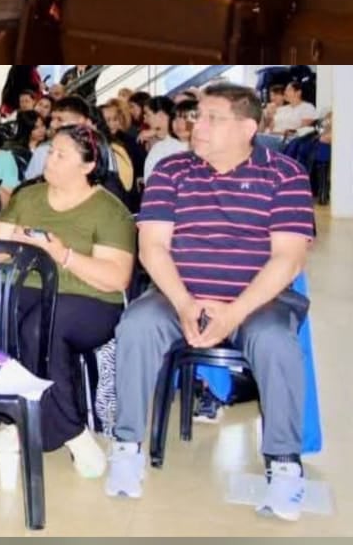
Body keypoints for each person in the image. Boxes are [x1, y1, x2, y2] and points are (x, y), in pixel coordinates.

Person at [104, 84, 315, 521]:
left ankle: (284, 464)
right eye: (196, 116)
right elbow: (153, 249)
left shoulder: (285, 174)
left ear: (248, 128)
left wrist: (234, 312)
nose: (196, 125)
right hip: (178, 294)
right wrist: (184, 304)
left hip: (258, 301)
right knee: (136, 326)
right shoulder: (171, 171)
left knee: (276, 343)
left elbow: (288, 258)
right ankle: (126, 446)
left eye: (211, 118)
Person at [0, 123, 136, 478]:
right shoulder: (28, 197)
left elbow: (116, 278)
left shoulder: (109, 210)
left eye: (61, 155)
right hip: (29, 289)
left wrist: (62, 254)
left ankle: (62, 430)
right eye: (50, 152)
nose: (49, 160)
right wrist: (12, 245)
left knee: (40, 327)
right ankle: (40, 422)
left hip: (88, 298)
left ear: (87, 166)